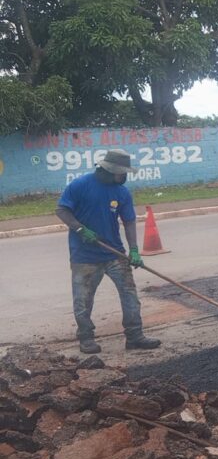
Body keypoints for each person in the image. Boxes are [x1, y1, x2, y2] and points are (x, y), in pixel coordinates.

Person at [55, 149, 162, 354]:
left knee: (129, 294)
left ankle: (134, 336)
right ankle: (86, 337)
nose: (125, 176)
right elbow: (61, 210)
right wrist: (79, 228)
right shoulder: (80, 185)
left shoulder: (122, 192)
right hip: (84, 255)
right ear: (109, 170)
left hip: (114, 253)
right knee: (83, 299)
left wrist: (133, 250)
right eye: (122, 173)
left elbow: (129, 221)